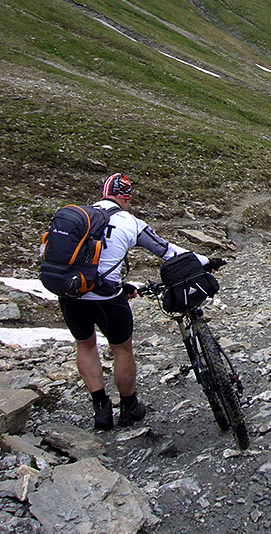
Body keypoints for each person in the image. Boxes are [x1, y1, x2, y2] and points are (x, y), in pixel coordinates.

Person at [59, 172, 219, 431]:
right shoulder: (129, 222)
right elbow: (166, 250)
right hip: (107, 298)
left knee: (86, 346)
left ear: (103, 193)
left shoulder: (77, 218)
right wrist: (206, 260)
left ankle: (100, 409)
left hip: (71, 294)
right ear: (127, 197)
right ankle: (128, 406)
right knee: (121, 349)